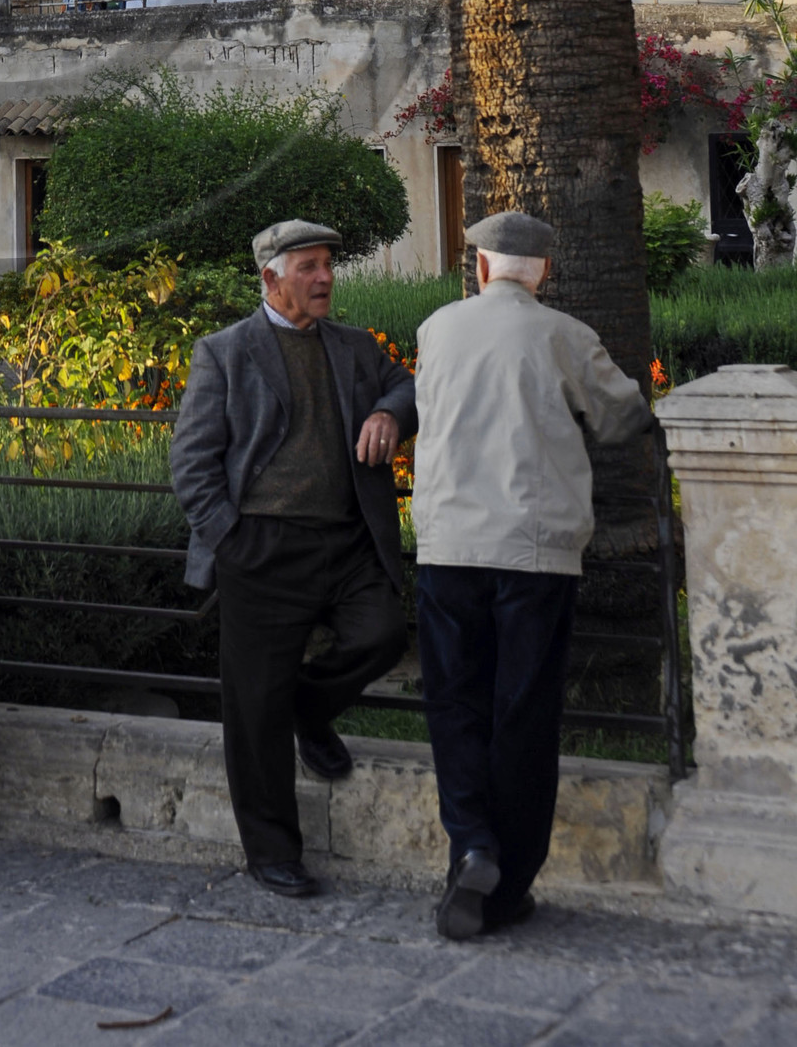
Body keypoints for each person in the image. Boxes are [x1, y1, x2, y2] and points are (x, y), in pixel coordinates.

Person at [412, 210, 653, 942]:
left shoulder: (435, 329)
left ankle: (472, 847)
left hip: (449, 547)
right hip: (534, 554)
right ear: (541, 271)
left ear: (480, 267)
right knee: (523, 713)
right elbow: (621, 419)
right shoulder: (565, 336)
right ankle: (509, 885)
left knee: (454, 705)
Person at [170, 217, 416, 900]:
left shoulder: (356, 348)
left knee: (382, 634)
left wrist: (391, 413)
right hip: (263, 548)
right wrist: (234, 539)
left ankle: (312, 707)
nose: (325, 277)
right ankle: (272, 851)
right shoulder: (224, 352)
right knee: (254, 709)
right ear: (271, 277)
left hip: (345, 541)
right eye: (309, 266)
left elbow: (408, 384)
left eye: (328, 264)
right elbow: (191, 465)